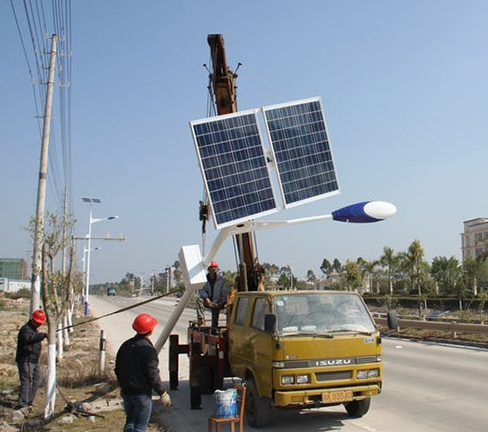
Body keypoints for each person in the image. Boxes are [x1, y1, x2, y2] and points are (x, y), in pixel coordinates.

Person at [115, 313, 171, 432]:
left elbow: (118, 369)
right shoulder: (148, 350)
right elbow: (152, 374)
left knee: (130, 423)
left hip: (126, 392)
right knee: (139, 428)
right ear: (150, 330)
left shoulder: (125, 345)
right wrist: (162, 393)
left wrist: (124, 385)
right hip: (141, 395)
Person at [15, 309, 48, 410]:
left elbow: (35, 337)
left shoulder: (34, 330)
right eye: (37, 322)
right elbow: (29, 339)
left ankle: (29, 401)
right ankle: (23, 403)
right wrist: (42, 336)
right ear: (32, 319)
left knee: (37, 380)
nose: (39, 325)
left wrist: (41, 335)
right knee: (27, 381)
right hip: (26, 360)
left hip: (34, 360)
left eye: (40, 323)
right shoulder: (26, 329)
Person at [196, 261, 229, 327]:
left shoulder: (221, 280)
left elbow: (224, 292)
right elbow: (201, 290)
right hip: (207, 301)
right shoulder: (204, 279)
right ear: (208, 269)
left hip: (217, 302)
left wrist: (221, 302)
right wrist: (206, 298)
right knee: (199, 300)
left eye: (214, 267)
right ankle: (201, 319)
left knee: (215, 320)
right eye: (211, 268)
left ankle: (214, 328)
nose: (213, 269)